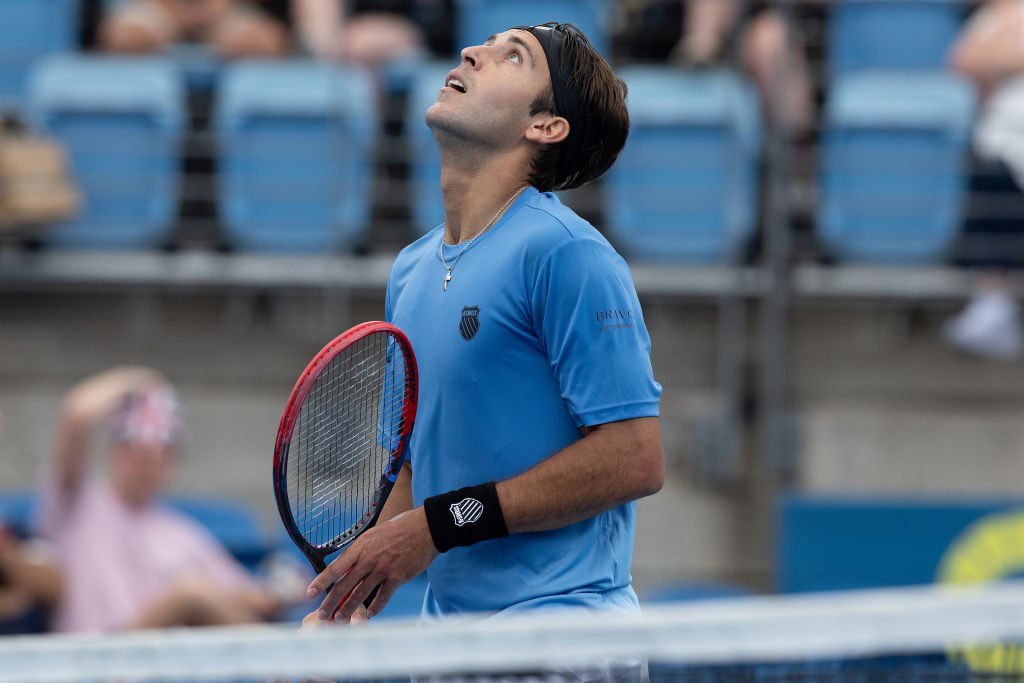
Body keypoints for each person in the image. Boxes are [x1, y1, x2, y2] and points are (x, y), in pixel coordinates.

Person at [302, 21, 664, 650]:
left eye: (511, 57)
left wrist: (438, 527)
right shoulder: (410, 269)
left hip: (563, 630)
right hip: (449, 635)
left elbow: (635, 456)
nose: (471, 51)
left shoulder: (568, 254)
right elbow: (413, 466)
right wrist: (349, 596)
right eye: (484, 46)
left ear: (545, 125)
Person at [38, 367, 287, 633]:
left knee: (195, 593)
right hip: (87, 657)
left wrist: (286, 589)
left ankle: (282, 667)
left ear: (172, 462)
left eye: (159, 456)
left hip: (153, 663)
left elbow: (250, 596)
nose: (146, 465)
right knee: (190, 592)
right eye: (136, 452)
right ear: (114, 452)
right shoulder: (77, 503)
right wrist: (142, 380)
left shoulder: (180, 533)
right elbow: (77, 411)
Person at [944, 0, 1024, 360]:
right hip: (1004, 139)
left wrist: (1006, 52)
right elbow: (964, 62)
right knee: (993, 172)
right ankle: (992, 304)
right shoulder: (993, 15)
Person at [622, 0, 813, 135]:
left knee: (769, 40)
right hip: (669, 36)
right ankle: (701, 51)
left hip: (760, 33)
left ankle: (792, 160)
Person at [99, 0, 289, 59]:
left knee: (262, 42)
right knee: (126, 37)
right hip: (159, 10)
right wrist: (178, 16)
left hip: (222, 15)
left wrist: (210, 14)